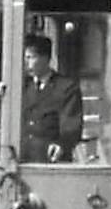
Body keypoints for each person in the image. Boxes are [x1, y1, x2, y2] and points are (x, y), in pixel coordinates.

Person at [20, 33, 83, 164]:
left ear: (46, 58)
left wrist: (62, 144)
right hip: (22, 159)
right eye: (24, 58)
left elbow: (72, 126)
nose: (26, 63)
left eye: (30, 57)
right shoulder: (22, 86)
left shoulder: (66, 88)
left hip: (51, 162)